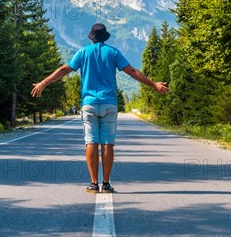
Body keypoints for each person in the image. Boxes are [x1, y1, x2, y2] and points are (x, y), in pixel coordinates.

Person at [31, 23, 169, 193]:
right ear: (105, 37)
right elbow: (132, 71)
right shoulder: (113, 52)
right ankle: (106, 183)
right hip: (109, 103)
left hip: (88, 103)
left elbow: (64, 69)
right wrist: (154, 84)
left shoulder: (83, 52)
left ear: (92, 37)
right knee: (107, 143)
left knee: (91, 141)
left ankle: (94, 183)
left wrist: (43, 82)